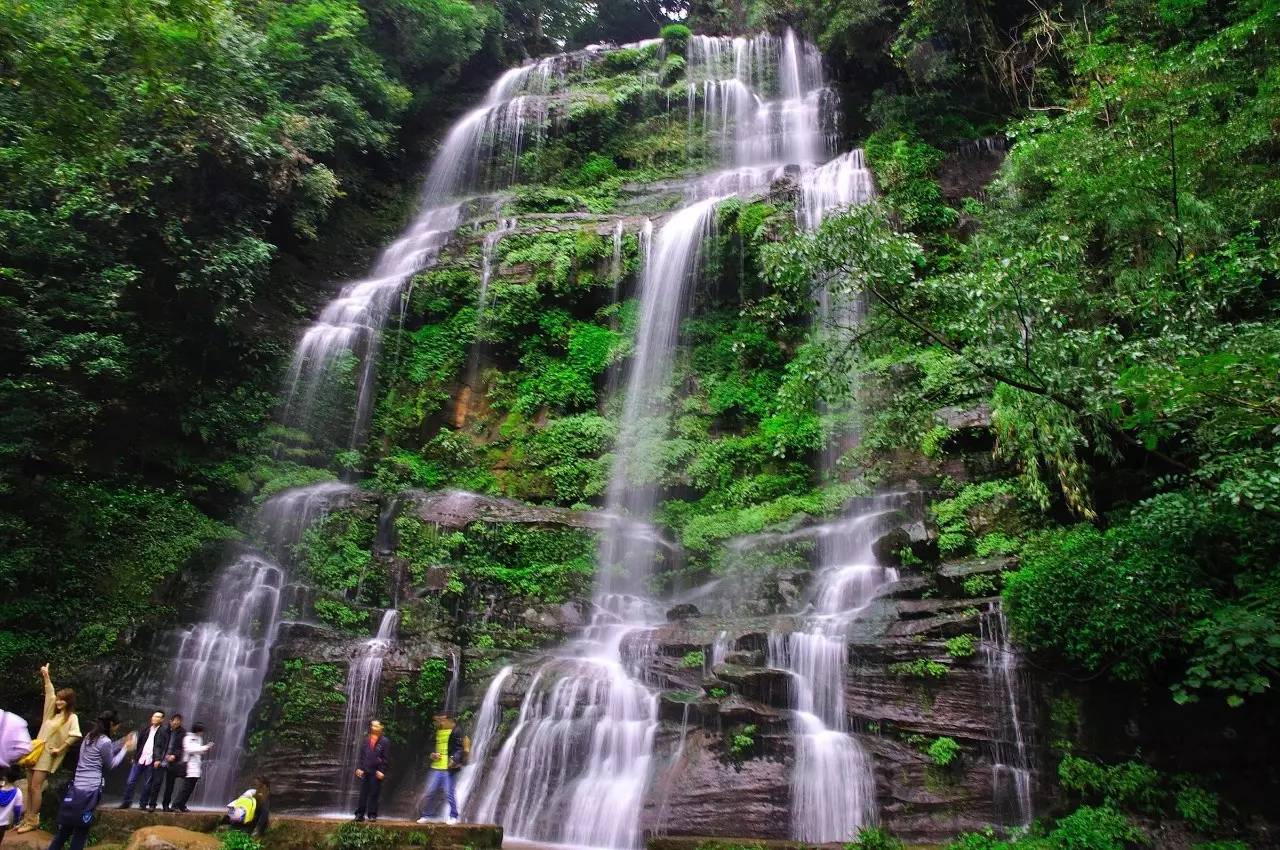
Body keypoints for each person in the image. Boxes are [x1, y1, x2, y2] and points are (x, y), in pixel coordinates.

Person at [48, 710, 135, 850]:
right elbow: (111, 763)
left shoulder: (89, 737)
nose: (117, 728)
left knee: (65, 830)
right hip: (90, 791)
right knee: (81, 831)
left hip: (76, 788)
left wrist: (122, 741)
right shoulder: (105, 740)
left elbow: (104, 749)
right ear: (111, 724)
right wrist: (125, 748)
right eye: (117, 725)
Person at [15, 664, 81, 834]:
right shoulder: (50, 714)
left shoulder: (71, 717)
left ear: (69, 701)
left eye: (63, 699)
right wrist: (46, 675)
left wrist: (60, 748)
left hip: (47, 755)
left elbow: (75, 734)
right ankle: (26, 818)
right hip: (35, 752)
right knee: (29, 786)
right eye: (59, 698)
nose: (59, 701)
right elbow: (49, 694)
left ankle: (33, 819)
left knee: (36, 787)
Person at [416, 713, 469, 825]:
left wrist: (454, 760)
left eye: (442, 720)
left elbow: (461, 748)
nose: (439, 723)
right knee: (430, 791)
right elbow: (429, 747)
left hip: (449, 768)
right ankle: (427, 815)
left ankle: (453, 816)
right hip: (436, 767)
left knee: (449, 792)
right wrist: (432, 754)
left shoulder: (457, 731)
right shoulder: (436, 732)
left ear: (449, 720)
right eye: (437, 721)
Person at [119, 710, 169, 810]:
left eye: (158, 717)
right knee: (130, 781)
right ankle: (126, 802)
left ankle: (143, 804)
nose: (155, 718)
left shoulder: (164, 732)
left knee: (147, 784)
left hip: (152, 760)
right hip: (140, 759)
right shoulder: (145, 729)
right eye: (154, 716)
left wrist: (159, 759)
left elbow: (164, 747)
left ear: (162, 719)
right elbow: (139, 744)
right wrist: (134, 756)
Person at [353, 719, 389, 823]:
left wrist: (382, 770)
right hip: (366, 770)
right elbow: (362, 755)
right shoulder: (366, 740)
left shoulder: (384, 741)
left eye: (376, 726)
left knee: (374, 793)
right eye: (372, 726)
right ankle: (360, 814)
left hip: (376, 771)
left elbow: (385, 758)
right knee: (363, 793)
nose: (374, 728)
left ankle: (372, 814)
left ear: (381, 727)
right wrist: (359, 767)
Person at [171, 722, 213, 813]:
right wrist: (204, 747)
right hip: (189, 766)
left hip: (197, 766)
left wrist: (205, 749)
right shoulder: (187, 738)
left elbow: (199, 751)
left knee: (190, 788)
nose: (202, 733)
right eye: (201, 731)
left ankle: (182, 805)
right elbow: (189, 749)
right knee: (185, 787)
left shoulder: (199, 739)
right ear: (197, 730)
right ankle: (175, 805)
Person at [159, 713, 186, 812]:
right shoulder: (164, 730)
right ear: (171, 721)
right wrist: (160, 756)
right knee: (156, 782)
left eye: (179, 720)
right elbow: (159, 744)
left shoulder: (183, 732)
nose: (177, 722)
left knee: (170, 785)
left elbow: (181, 747)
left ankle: (166, 805)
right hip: (161, 760)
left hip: (173, 762)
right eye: (175, 720)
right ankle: (150, 803)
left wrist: (174, 755)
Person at [0, 765, 24, 843]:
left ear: (4, 777)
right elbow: (17, 810)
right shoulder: (18, 793)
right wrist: (16, 823)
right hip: (2, 825)